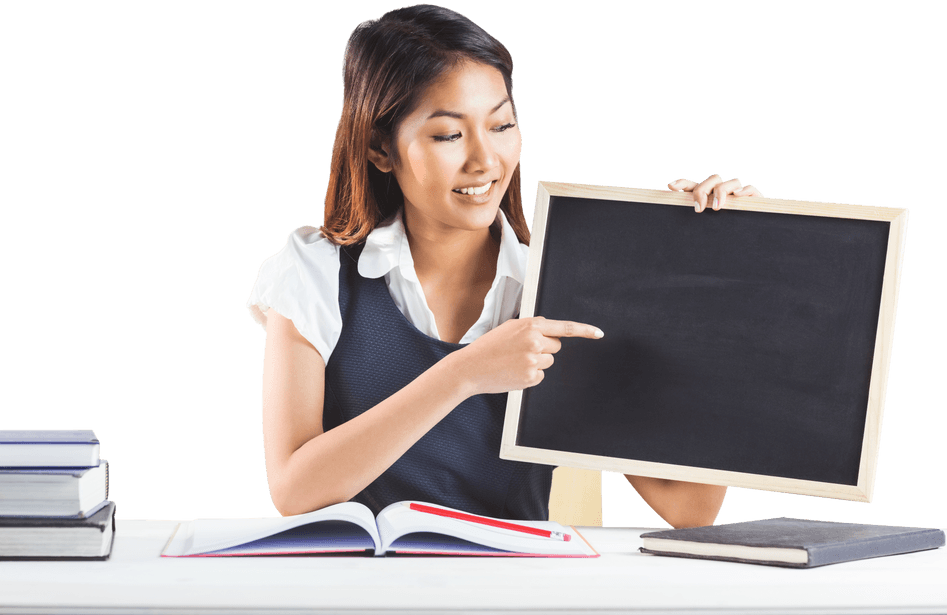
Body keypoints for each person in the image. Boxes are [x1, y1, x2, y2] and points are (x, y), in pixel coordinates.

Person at [247, 4, 762, 528]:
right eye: (448, 135)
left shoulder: (565, 281)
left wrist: (715, 279)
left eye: (501, 125)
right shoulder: (315, 272)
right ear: (381, 148)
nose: (485, 160)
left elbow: (689, 506)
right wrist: (464, 373)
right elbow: (294, 488)